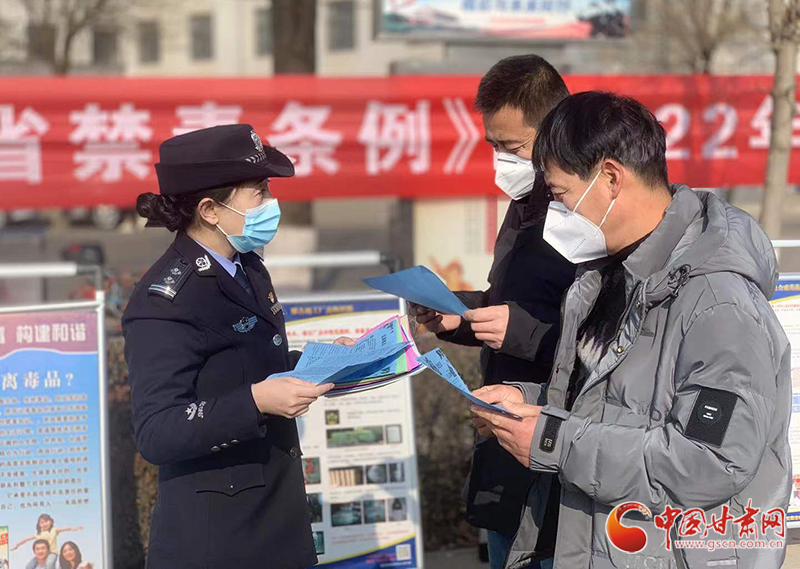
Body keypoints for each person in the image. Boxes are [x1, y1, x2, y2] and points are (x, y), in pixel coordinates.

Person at [471, 92, 790, 569]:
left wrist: (552, 440)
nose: (554, 213)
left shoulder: (718, 303)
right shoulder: (607, 274)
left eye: (559, 194)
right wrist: (528, 402)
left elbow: (709, 460)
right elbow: (616, 402)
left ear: (611, 178)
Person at [123, 124, 339, 568]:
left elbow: (248, 366)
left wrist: (321, 362)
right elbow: (157, 431)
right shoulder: (165, 300)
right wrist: (257, 401)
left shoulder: (247, 265)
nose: (271, 203)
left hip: (277, 521)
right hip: (218, 540)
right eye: (259, 192)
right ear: (210, 210)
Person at [409, 54, 576, 569]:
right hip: (505, 443)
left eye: (513, 147)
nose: (502, 159)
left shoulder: (586, 214)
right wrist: (457, 315)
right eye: (493, 145)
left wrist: (521, 331)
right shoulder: (526, 203)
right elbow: (509, 302)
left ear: (555, 132)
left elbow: (611, 339)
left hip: (559, 450)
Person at [11, 514, 82, 569]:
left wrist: (73, 528)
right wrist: (17, 545)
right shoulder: (38, 534)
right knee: (29, 566)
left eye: (46, 521)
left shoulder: (53, 530)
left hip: (52, 553)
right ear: (39, 525)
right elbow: (26, 539)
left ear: (51, 522)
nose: (44, 524)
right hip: (41, 555)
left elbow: (64, 528)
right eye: (42, 522)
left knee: (49, 564)